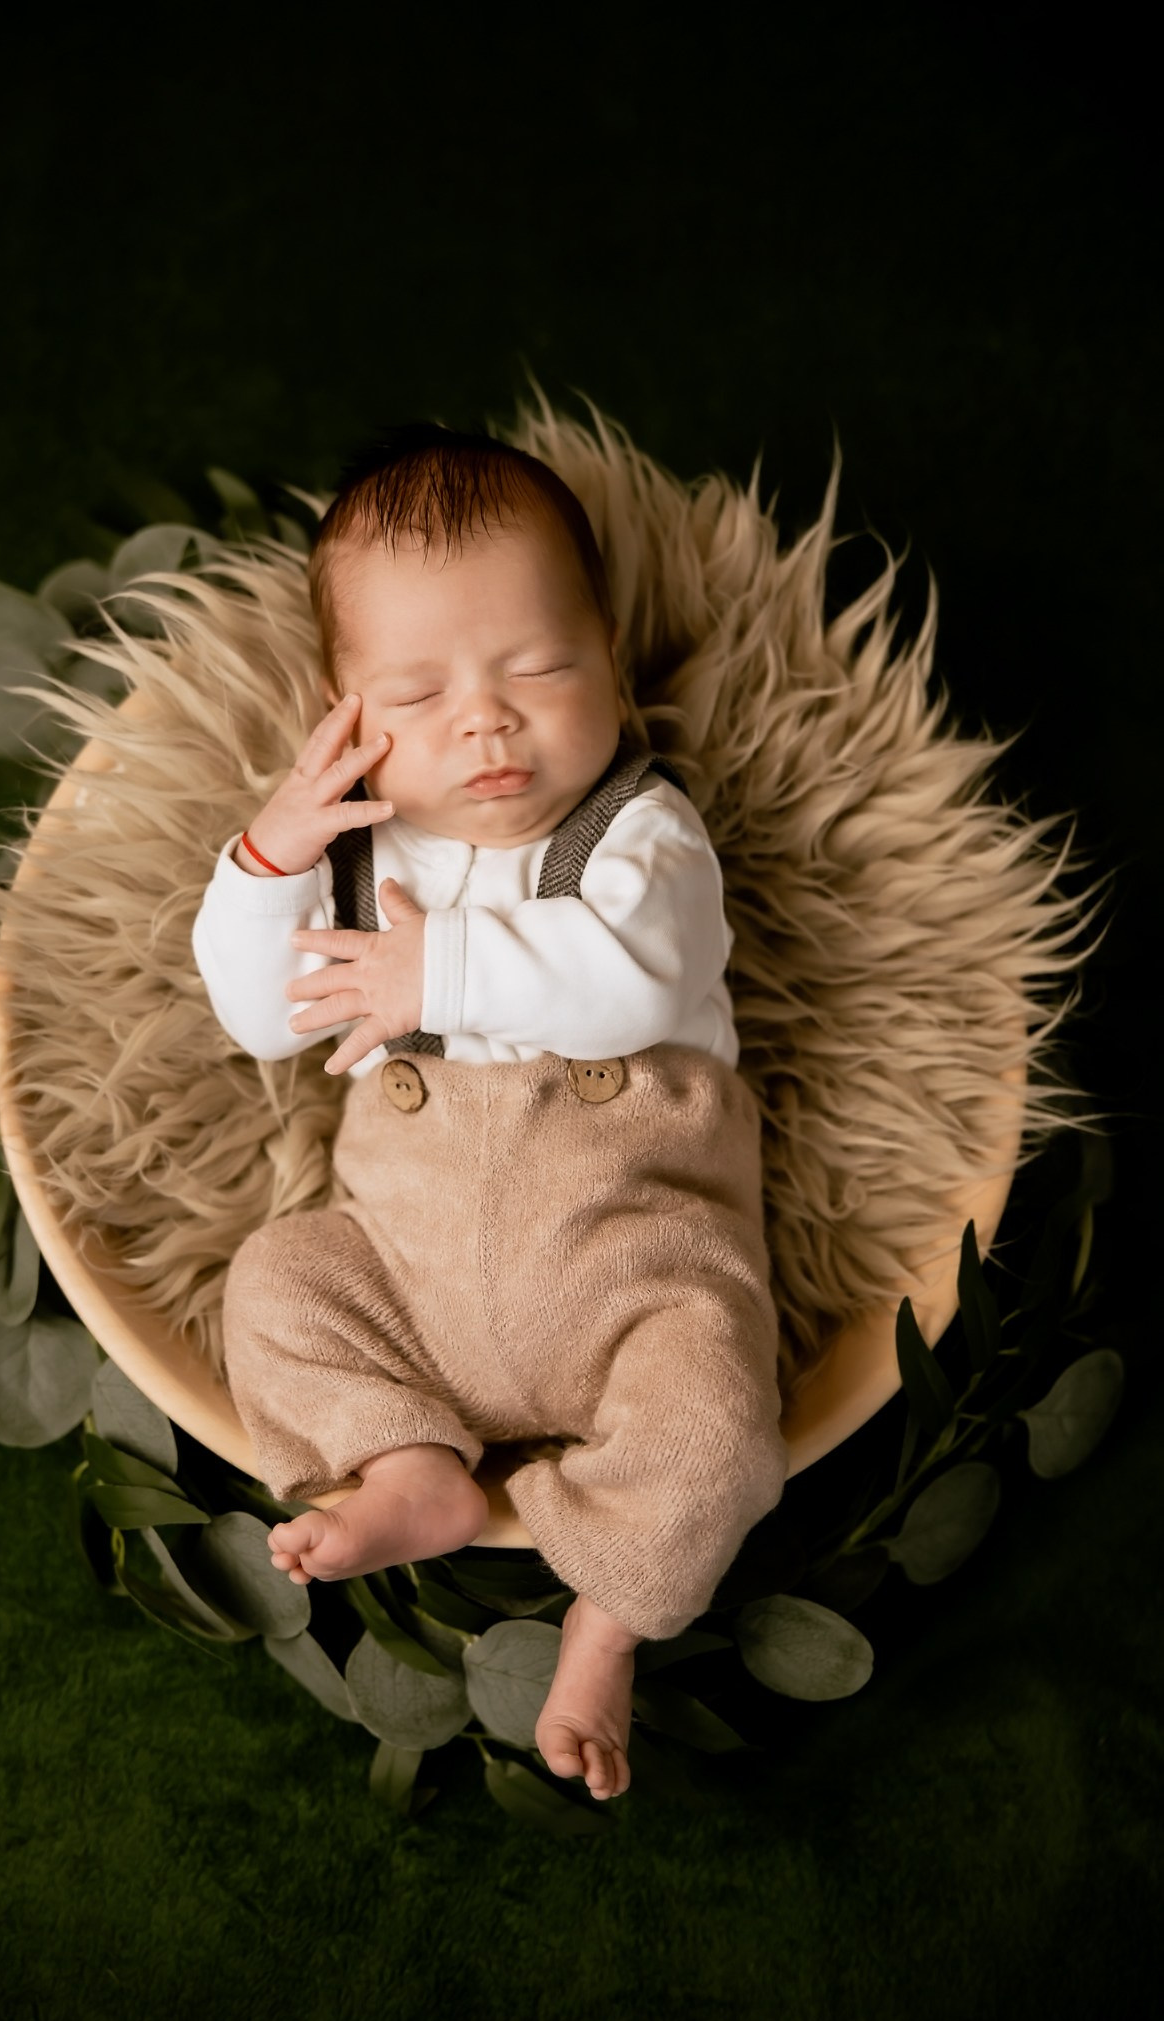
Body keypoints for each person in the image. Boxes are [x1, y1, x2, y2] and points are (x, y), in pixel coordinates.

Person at [191, 426, 787, 1800]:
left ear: (611, 661)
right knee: (275, 1282)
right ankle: (409, 1464)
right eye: (416, 692)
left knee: (715, 1418)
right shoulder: (351, 856)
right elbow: (261, 1015)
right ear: (344, 714)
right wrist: (267, 860)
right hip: (404, 1282)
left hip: (635, 1273)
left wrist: (435, 975)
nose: (487, 720)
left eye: (539, 668)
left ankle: (607, 1622)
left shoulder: (640, 834)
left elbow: (636, 981)